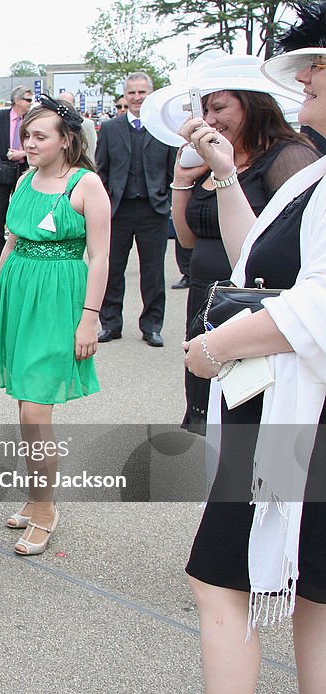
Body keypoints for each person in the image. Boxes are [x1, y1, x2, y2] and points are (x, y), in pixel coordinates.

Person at [181, 5, 326, 690]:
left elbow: (315, 305)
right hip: (280, 413)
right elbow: (253, 266)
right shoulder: (308, 178)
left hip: (296, 422)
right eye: (309, 66)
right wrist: (224, 173)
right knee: (313, 597)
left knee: (220, 583)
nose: (311, 77)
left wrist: (213, 347)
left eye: (322, 66)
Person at [156, 62, 318, 436]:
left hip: (256, 306)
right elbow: (186, 238)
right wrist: (183, 180)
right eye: (205, 109)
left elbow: (281, 246)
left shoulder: (290, 158)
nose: (210, 119)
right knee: (204, 408)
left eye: (220, 108)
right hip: (208, 296)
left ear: (253, 105)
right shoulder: (218, 163)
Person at [0, 95, 110, 555]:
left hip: (60, 300)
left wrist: (90, 319)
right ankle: (36, 499)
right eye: (27, 135)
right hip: (19, 295)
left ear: (66, 140)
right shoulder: (26, 179)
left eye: (40, 136)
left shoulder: (86, 183)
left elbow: (100, 256)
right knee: (25, 408)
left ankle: (47, 507)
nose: (28, 143)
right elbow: (11, 244)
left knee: (36, 411)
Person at [95, 72, 176, 348]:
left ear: (150, 94)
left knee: (153, 272)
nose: (137, 98)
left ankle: (152, 325)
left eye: (142, 92)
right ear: (125, 95)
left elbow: (172, 169)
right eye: (132, 93)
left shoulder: (163, 128)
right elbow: (101, 169)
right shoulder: (110, 129)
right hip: (118, 210)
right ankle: (111, 323)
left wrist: (166, 197)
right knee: (112, 268)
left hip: (153, 210)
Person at [0, 86, 33, 263]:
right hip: (2, 170)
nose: (30, 103)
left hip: (24, 170)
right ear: (17, 100)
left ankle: (21, 246)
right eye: (27, 100)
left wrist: (23, 154)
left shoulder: (31, 120)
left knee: (23, 208)